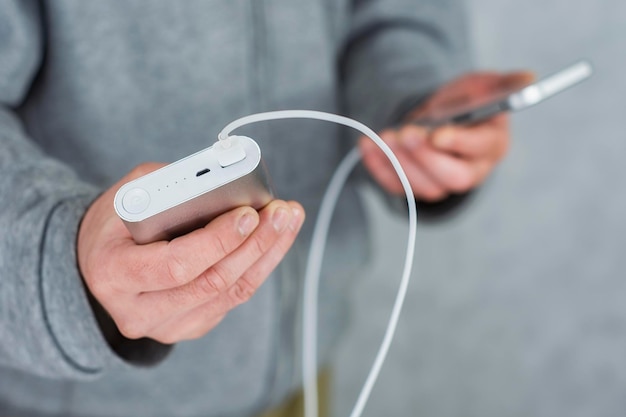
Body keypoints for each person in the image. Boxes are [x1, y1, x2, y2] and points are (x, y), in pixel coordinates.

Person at [0, 1, 511, 416]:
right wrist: (62, 259)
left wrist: (410, 106)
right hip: (84, 395)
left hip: (301, 374)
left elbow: (392, 16)